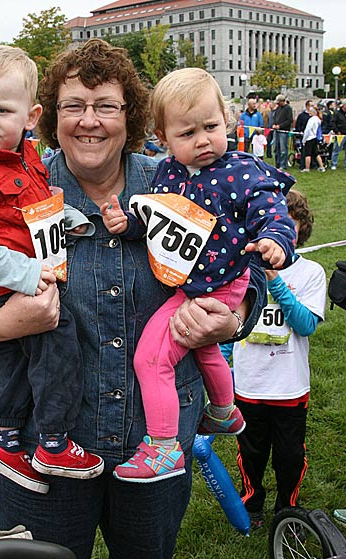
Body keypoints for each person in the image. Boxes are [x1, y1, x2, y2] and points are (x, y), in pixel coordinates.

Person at [0, 39, 267, 559]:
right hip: (42, 449)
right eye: (74, 106)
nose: (89, 121)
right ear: (48, 116)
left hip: (156, 443)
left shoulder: (179, 181)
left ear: (129, 115)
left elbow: (246, 267)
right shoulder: (20, 186)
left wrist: (236, 315)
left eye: (106, 105)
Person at [101, 67, 296, 483]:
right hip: (190, 284)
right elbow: (154, 220)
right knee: (204, 347)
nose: (203, 140)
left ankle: (163, 447)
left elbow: (273, 211)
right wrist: (127, 224)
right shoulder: (167, 173)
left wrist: (275, 240)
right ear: (162, 137)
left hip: (223, 283)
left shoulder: (242, 171)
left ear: (226, 119)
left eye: (211, 126)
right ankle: (224, 412)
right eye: (188, 133)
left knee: (151, 359)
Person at [0, 45, 103, 492]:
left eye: (2, 110)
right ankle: (53, 441)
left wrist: (68, 218)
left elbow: (34, 206)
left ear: (30, 117)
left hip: (7, 279)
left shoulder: (24, 157)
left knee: (12, 357)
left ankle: (7, 443)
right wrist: (27, 275)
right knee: (57, 338)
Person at [222, 189, 326, 529]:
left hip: (289, 387)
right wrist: (222, 367)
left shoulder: (311, 273)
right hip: (249, 385)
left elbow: (305, 325)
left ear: (300, 230)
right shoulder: (241, 270)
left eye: (287, 226)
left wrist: (275, 282)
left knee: (289, 456)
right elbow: (230, 327)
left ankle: (288, 509)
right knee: (250, 453)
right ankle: (252, 502)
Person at [301, 106, 326, 173]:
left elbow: (307, 130)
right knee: (316, 153)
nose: (309, 112)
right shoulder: (318, 119)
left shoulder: (311, 120)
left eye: (310, 111)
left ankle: (307, 168)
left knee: (307, 154)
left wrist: (304, 139)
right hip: (314, 137)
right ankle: (322, 167)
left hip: (309, 138)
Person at [272, 94, 293, 170]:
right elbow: (275, 117)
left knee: (283, 149)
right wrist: (274, 124)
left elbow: (289, 120)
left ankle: (283, 164)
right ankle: (277, 164)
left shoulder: (288, 108)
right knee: (276, 148)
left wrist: (280, 126)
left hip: (283, 131)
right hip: (276, 131)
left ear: (282, 101)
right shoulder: (278, 108)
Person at [294, 100, 313, 170]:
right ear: (307, 106)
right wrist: (300, 131)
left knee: (313, 151)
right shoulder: (302, 115)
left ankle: (313, 164)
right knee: (304, 151)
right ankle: (303, 165)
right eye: (311, 106)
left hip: (312, 136)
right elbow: (298, 125)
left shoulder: (313, 116)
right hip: (304, 135)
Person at [331, 99, 346, 170]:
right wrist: (337, 131)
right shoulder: (337, 113)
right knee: (336, 150)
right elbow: (333, 122)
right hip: (340, 134)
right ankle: (334, 164)